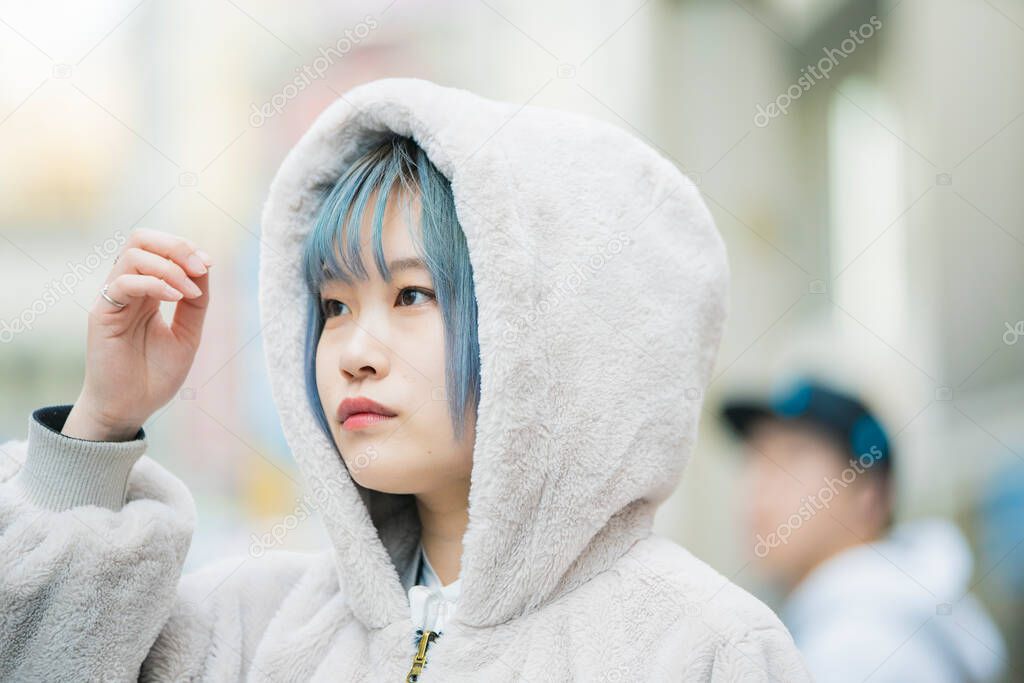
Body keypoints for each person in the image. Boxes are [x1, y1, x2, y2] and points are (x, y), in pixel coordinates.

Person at [0, 78, 811, 681]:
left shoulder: (701, 647)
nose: (355, 349)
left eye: (412, 294)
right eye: (334, 305)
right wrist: (101, 423)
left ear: (552, 328)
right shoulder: (245, 626)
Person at [721, 376, 1008, 683]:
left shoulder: (858, 647)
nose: (759, 486)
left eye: (792, 456)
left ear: (868, 494)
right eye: (755, 459)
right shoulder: (877, 619)